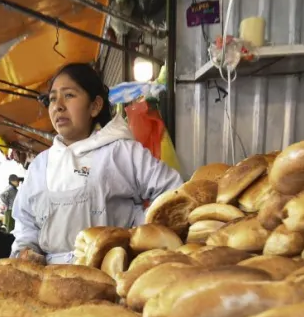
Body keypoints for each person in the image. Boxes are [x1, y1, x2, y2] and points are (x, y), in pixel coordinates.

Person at [11, 63, 182, 264]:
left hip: (115, 272)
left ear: (95, 106)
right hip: (53, 280)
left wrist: (140, 234)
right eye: (52, 98)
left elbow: (172, 190)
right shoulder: (39, 166)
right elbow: (26, 223)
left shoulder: (120, 152)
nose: (58, 106)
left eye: (69, 95)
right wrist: (26, 249)